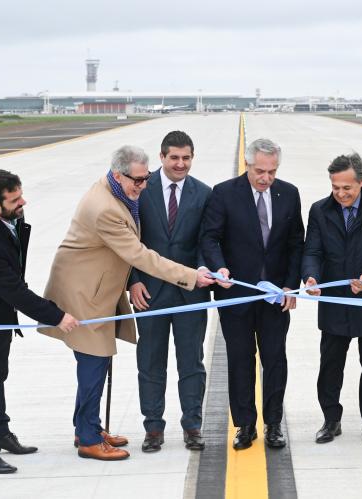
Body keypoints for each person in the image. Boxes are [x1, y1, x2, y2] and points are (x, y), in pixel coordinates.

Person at [39, 146, 215, 461]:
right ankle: (90, 439)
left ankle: (87, 426)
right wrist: (190, 276)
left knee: (98, 363)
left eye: (145, 180)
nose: (142, 186)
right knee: (94, 364)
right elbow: (138, 255)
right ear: (118, 174)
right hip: (85, 295)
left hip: (97, 289)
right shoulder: (105, 208)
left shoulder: (113, 189)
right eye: (137, 180)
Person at [0, 169, 80, 474]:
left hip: (0, 317)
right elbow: (14, 290)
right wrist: (56, 316)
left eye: (20, 194)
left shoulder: (10, 219)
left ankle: (0, 432)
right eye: (15, 199)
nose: (22, 202)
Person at [200, 138, 305, 450]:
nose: (266, 178)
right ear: (248, 165)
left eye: (272, 172)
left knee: (275, 360)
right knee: (240, 361)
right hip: (236, 296)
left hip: (275, 297)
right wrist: (219, 269)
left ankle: (273, 424)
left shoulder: (289, 193)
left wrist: (290, 284)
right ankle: (245, 425)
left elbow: (296, 243)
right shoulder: (223, 193)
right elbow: (210, 238)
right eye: (260, 171)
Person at [303, 153, 362, 446]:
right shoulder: (319, 210)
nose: (341, 194)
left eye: (347, 188)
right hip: (334, 301)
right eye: (335, 188)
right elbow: (312, 252)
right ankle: (331, 419)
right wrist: (311, 277)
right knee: (330, 363)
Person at [128, 131, 212, 453]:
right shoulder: (139, 188)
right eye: (174, 157)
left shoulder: (203, 193)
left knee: (192, 363)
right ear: (161, 157)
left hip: (190, 294)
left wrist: (205, 270)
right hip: (148, 293)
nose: (180, 164)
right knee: (150, 363)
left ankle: (193, 425)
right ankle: (153, 428)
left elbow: (208, 240)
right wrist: (132, 281)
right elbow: (128, 241)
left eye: (186, 158)